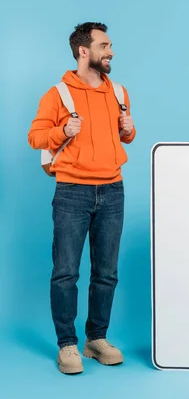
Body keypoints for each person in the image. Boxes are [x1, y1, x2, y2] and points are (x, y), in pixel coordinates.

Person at [28, 22, 136, 375]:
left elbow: (126, 136)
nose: (112, 51)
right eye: (105, 45)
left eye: (111, 45)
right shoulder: (58, 94)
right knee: (66, 273)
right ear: (83, 51)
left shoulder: (118, 91)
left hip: (112, 189)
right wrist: (62, 131)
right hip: (72, 191)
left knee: (106, 273)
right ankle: (67, 345)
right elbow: (35, 136)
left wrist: (128, 129)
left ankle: (96, 339)